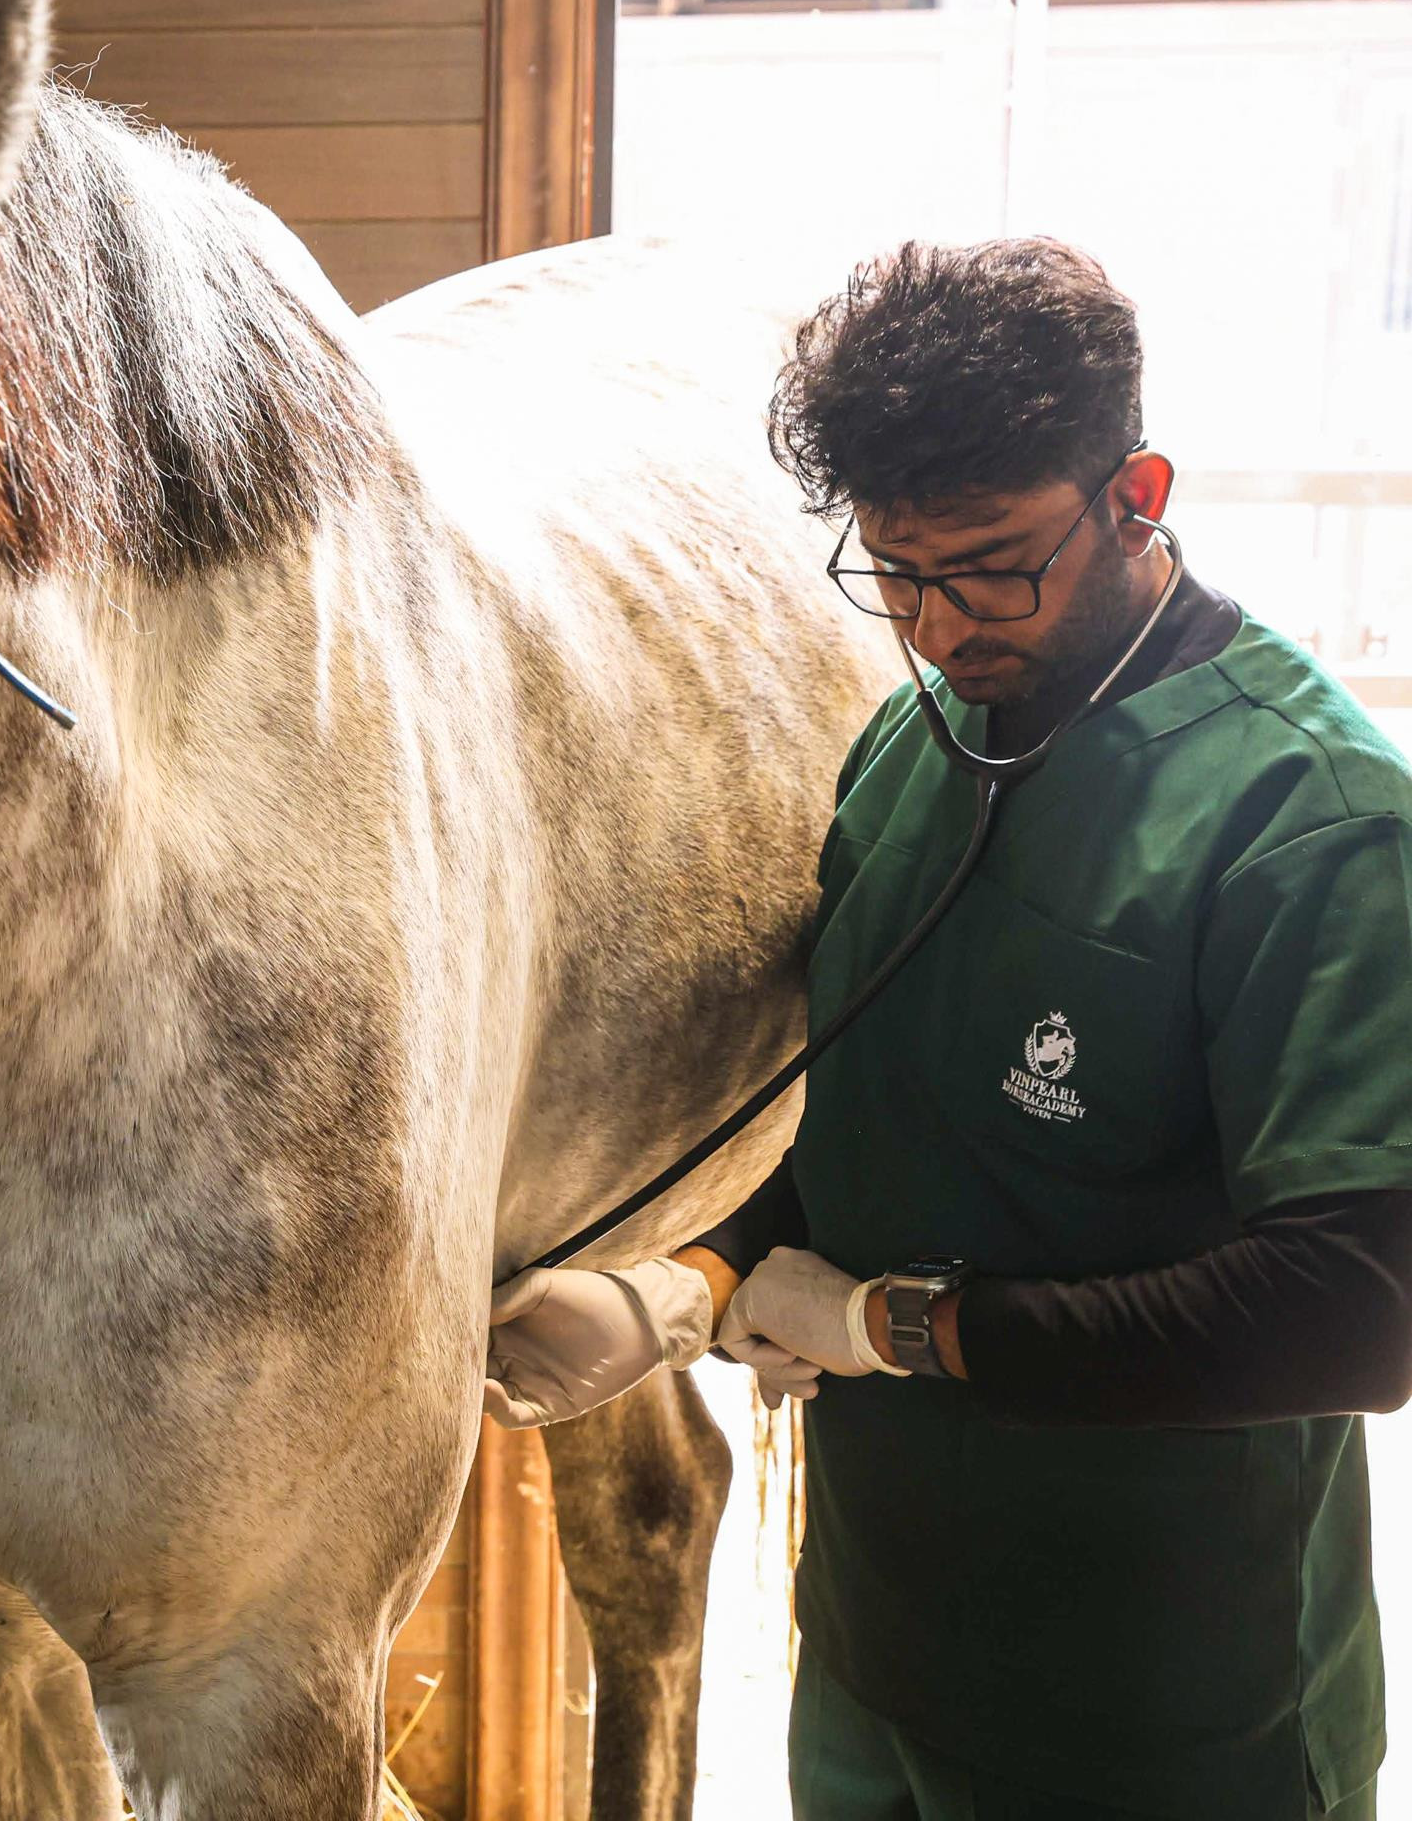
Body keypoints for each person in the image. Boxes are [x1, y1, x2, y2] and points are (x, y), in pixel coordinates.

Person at [482, 238, 1412, 1819]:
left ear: (1139, 492)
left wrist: (896, 1328)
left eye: (993, 564)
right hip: (875, 1647)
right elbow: (862, 1123)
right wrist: (684, 1290)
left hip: (1167, 1702)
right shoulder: (912, 755)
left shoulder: (1310, 822)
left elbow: (1356, 1310)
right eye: (894, 573)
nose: (936, 625)